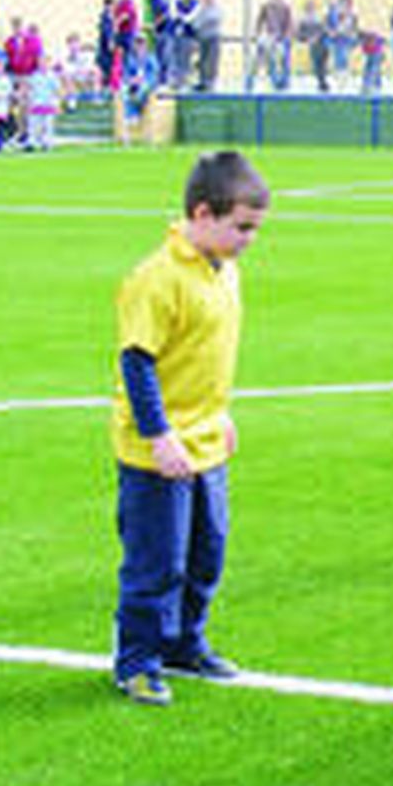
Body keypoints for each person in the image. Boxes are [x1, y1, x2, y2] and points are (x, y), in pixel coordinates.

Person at [110, 150, 271, 705]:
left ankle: (184, 643)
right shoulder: (156, 278)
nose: (249, 239)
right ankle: (137, 661)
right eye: (242, 227)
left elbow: (207, 353)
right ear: (203, 213)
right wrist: (159, 436)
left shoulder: (225, 270)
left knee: (208, 552)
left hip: (206, 439)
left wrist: (220, 413)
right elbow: (137, 361)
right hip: (159, 449)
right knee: (158, 561)